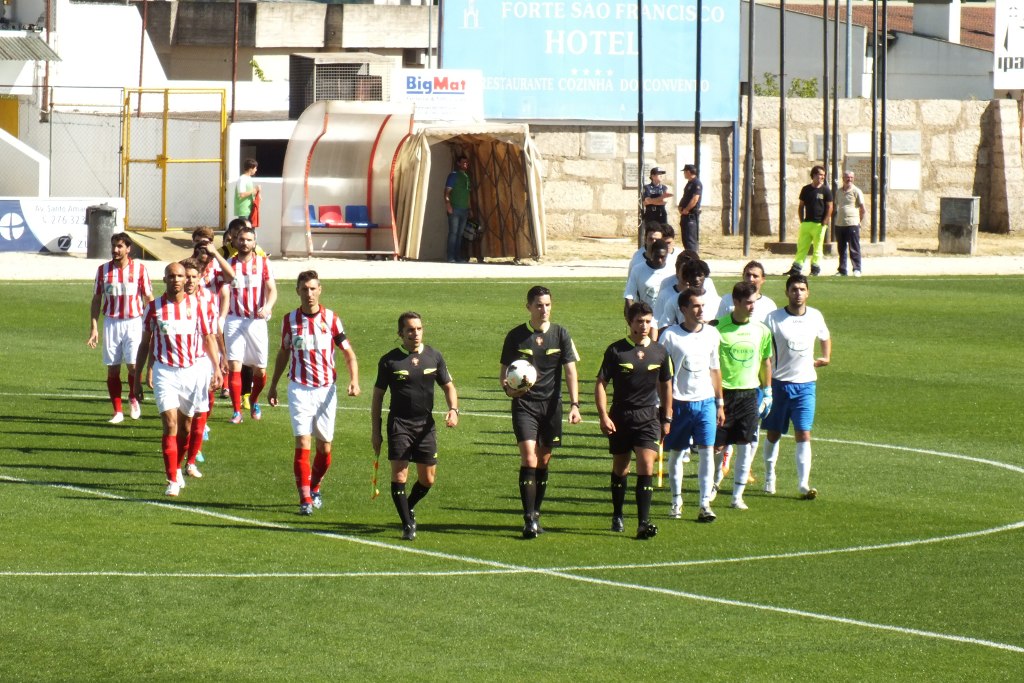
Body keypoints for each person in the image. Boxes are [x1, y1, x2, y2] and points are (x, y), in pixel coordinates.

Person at [267, 271, 360, 516]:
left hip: (326, 390)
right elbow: (284, 352)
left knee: (325, 448)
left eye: (312, 288)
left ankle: (315, 486)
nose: (309, 293)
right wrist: (274, 384)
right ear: (297, 291)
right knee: (302, 442)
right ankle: (305, 498)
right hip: (299, 388)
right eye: (304, 289)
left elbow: (348, 353)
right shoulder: (289, 320)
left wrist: (354, 380)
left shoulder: (331, 319)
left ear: (320, 290)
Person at [133, 262, 222, 496]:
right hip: (165, 371)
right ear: (165, 279)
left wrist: (217, 368)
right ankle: (172, 479)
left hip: (191, 371)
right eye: (171, 276)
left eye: (180, 276)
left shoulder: (198, 306)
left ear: (185, 280)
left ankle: (179, 466)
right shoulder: (154, 308)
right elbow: (145, 343)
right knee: (170, 424)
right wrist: (137, 376)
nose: (176, 280)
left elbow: (208, 337)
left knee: (185, 427)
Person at [500, 285, 582, 539]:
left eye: (547, 305)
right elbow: (504, 373)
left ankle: (536, 513)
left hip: (551, 407)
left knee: (544, 460)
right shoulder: (516, 336)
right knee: (529, 459)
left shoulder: (561, 334)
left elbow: (570, 371)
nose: (544, 309)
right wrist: (509, 390)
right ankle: (528, 519)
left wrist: (575, 404)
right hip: (524, 405)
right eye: (538, 305)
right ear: (528, 307)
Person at [371, 312, 459, 540]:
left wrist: (453, 409)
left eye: (419, 329)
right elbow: (378, 397)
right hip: (399, 425)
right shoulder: (389, 361)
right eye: (410, 330)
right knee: (400, 475)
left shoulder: (434, 357)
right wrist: (376, 432)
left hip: (425, 426)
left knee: (428, 479)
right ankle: (407, 525)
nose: (415, 333)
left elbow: (448, 386)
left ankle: (408, 506)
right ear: (400, 333)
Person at [595, 302, 672, 539]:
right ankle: (618, 513)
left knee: (646, 465)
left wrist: (667, 417)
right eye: (640, 321)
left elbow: (666, 386)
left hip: (648, 417)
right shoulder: (616, 351)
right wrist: (603, 415)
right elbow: (601, 384)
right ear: (630, 322)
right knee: (621, 467)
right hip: (621, 416)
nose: (645, 326)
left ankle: (643, 522)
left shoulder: (660, 352)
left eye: (648, 321)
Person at [658, 287, 726, 522]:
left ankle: (704, 504)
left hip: (706, 402)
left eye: (702, 306)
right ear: (683, 309)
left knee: (706, 452)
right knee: (677, 454)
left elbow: (715, 369)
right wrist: (664, 407)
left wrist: (719, 402)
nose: (700, 310)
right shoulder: (670, 336)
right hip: (679, 402)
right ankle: (676, 501)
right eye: (695, 306)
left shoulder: (712, 334)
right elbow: (663, 375)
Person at [762, 274, 831, 499]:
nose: (798, 293)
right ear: (787, 292)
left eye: (802, 289)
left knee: (803, 432)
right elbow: (763, 347)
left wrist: (826, 357)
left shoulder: (815, 316)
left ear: (808, 292)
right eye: (794, 289)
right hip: (780, 384)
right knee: (773, 433)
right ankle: (769, 476)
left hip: (806, 384)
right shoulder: (773, 318)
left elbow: (825, 336)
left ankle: (803, 483)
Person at [710, 281, 773, 511]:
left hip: (749, 394)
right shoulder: (717, 329)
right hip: (724, 395)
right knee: (716, 446)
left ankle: (737, 496)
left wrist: (768, 391)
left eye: (754, 301)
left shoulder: (762, 330)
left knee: (746, 444)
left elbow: (766, 361)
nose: (752, 306)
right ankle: (715, 480)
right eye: (748, 302)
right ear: (735, 302)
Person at [87, 232, 154, 424]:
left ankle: (133, 397)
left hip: (134, 322)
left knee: (133, 365)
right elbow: (97, 299)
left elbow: (149, 298)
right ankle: (117, 411)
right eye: (113, 246)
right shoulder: (103, 270)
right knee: (113, 369)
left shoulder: (140, 269)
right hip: (112, 323)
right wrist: (94, 327)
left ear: (128, 249)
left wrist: (151, 324)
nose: (115, 250)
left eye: (119, 246)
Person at [221, 225, 277, 424]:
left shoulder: (263, 263)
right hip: (234, 319)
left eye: (248, 240)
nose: (244, 243)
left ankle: (253, 399)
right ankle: (237, 411)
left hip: (256, 321)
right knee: (234, 365)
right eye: (241, 239)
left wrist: (268, 307)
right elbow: (224, 291)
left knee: (260, 370)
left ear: (254, 243)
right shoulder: (229, 263)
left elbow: (272, 290)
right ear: (235, 241)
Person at [180, 259, 225, 477]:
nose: (189, 281)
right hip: (176, 363)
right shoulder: (171, 301)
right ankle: (177, 459)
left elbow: (213, 332)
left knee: (199, 411)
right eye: (186, 276)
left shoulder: (209, 299)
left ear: (200, 278)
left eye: (193, 277)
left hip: (200, 360)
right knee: (180, 418)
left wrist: (220, 360)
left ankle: (191, 461)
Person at [785, 165, 833, 277]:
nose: (822, 177)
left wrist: (825, 221)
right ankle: (796, 268)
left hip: (819, 224)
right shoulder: (806, 189)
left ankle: (815, 268)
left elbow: (830, 206)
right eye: (820, 174)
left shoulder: (826, 190)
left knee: (818, 247)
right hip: (807, 223)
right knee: (802, 246)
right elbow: (801, 205)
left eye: (823, 175)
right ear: (814, 175)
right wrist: (802, 220)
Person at [623, 238, 673, 336]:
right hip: (646, 318)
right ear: (651, 253)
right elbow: (629, 296)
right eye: (657, 256)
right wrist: (633, 319)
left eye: (663, 257)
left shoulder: (671, 270)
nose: (659, 260)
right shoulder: (638, 269)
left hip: (666, 319)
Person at [833, 170, 866, 277]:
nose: (849, 179)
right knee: (841, 248)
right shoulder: (838, 192)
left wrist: (858, 221)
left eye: (851, 177)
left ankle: (857, 269)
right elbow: (837, 206)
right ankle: (842, 270)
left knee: (854, 247)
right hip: (840, 224)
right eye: (847, 177)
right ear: (843, 178)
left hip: (852, 223)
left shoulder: (857, 191)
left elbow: (862, 209)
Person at [444, 154, 473, 263]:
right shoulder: (453, 175)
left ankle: (457, 257)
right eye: (463, 162)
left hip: (464, 210)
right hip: (455, 208)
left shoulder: (466, 177)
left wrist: (470, 209)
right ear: (458, 163)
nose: (465, 164)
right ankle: (450, 257)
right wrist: (448, 205)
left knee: (460, 235)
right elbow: (447, 192)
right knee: (453, 233)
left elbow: (467, 194)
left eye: (466, 162)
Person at [677, 164, 703, 252]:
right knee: (685, 239)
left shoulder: (696, 183)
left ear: (688, 172)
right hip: (685, 215)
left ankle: (693, 257)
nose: (684, 174)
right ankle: (688, 255)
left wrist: (686, 209)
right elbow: (685, 197)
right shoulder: (689, 183)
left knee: (690, 240)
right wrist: (680, 207)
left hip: (690, 216)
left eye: (684, 172)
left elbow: (695, 199)